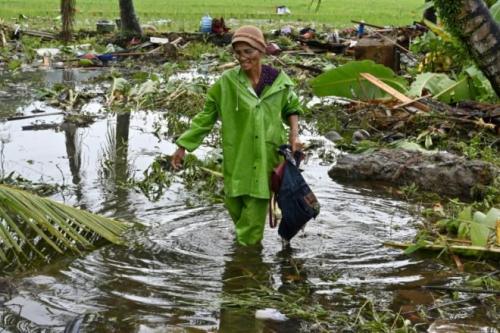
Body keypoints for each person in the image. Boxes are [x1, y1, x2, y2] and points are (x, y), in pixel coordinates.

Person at [171, 25, 303, 246]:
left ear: (261, 50)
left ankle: (246, 266)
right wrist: (183, 145)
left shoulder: (278, 82)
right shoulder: (228, 82)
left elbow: (292, 107)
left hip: (265, 160)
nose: (242, 57)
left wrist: (294, 136)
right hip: (237, 159)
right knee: (236, 208)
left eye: (248, 51)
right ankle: (245, 258)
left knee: (250, 227)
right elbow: (207, 116)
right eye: (238, 52)